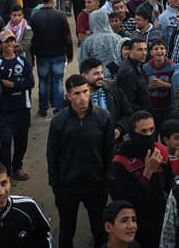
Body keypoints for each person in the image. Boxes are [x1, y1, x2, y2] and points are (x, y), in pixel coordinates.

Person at [47, 74, 114, 248]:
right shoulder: (58, 122)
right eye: (77, 93)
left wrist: (106, 181)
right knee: (66, 231)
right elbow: (52, 155)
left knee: (99, 230)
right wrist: (56, 185)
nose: (83, 97)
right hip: (67, 187)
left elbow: (109, 152)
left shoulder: (103, 117)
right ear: (68, 96)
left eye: (85, 91)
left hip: (96, 185)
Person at [109, 111, 172, 247]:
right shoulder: (121, 158)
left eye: (151, 130)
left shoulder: (161, 151)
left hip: (160, 218)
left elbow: (169, 185)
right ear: (133, 133)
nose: (148, 135)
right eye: (143, 131)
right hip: (136, 223)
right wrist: (147, 173)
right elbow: (124, 199)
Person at [0, 30, 34, 180]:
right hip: (5, 109)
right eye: (6, 41)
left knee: (22, 141)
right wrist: (16, 85)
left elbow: (30, 83)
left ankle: (17, 167)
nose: (9, 44)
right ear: (0, 45)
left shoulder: (23, 61)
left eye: (11, 41)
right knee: (5, 141)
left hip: (23, 107)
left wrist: (13, 85)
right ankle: (6, 172)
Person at [28, 0, 73, 117]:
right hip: (58, 54)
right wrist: (69, 54)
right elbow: (68, 37)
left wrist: (32, 56)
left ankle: (43, 108)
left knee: (43, 82)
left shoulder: (34, 17)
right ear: (53, 0)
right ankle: (58, 109)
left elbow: (31, 39)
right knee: (58, 81)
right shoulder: (60, 16)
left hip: (42, 54)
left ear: (41, 0)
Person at [82, 58, 133, 142]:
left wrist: (119, 129)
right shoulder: (76, 98)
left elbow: (128, 114)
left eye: (101, 72)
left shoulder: (114, 91)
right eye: (96, 74)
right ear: (84, 76)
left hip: (114, 144)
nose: (101, 76)